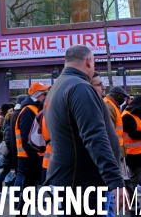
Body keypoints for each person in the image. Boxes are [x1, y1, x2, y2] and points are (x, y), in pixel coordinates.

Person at [45, 45, 125, 214]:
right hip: (83, 184)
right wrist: (115, 180)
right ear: (89, 61)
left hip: (70, 180)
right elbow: (94, 136)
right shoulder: (80, 87)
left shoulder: (58, 87)